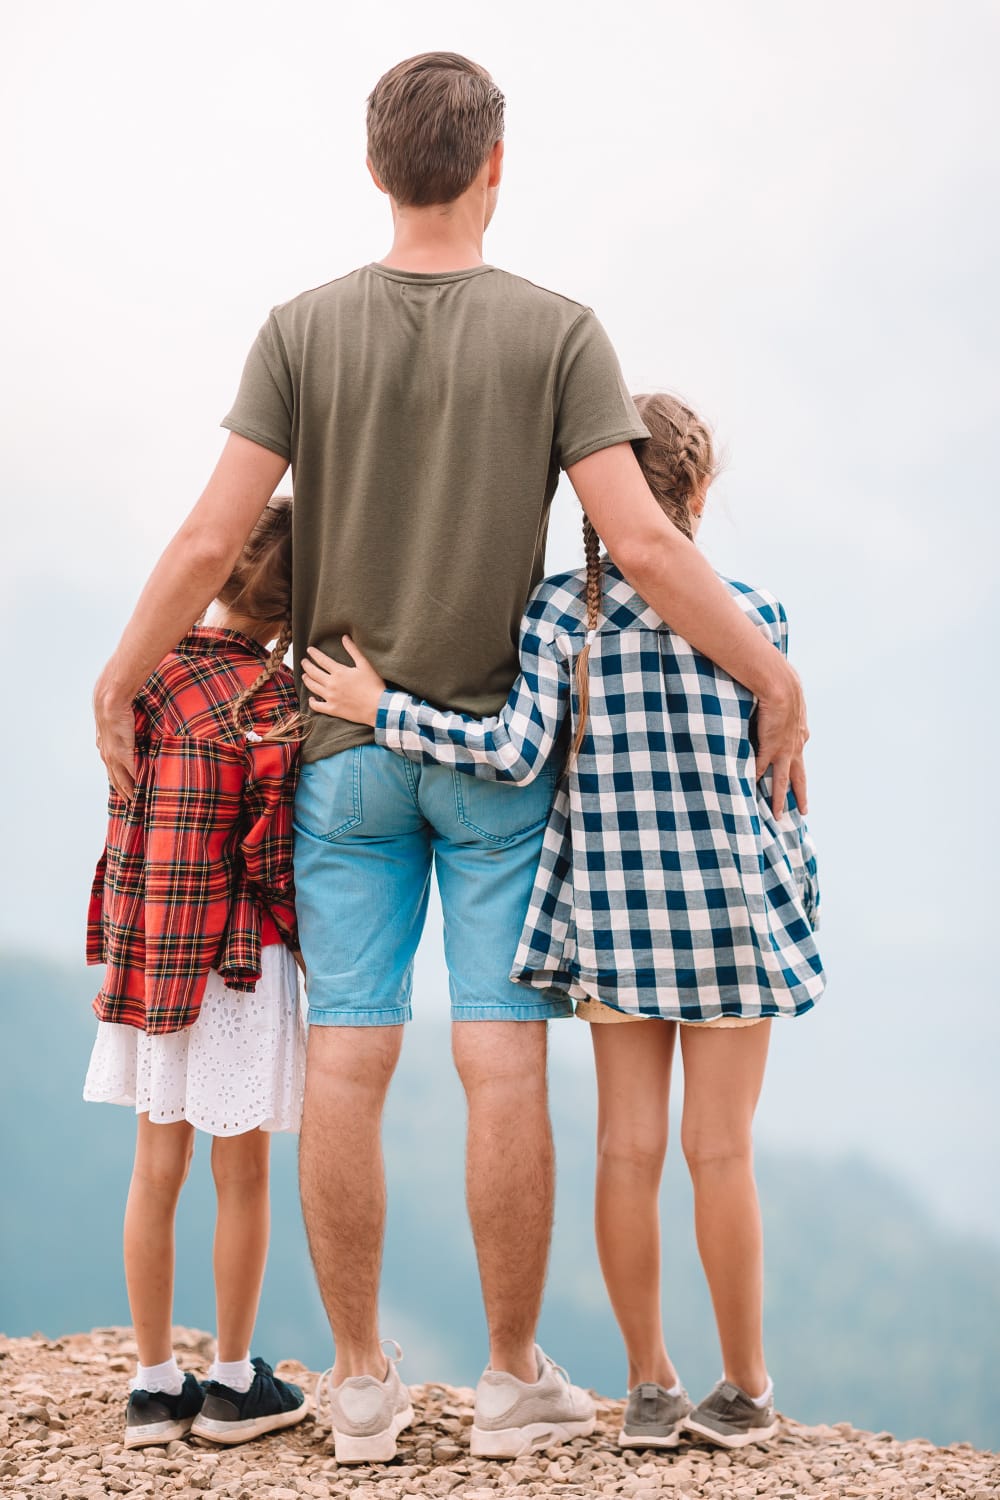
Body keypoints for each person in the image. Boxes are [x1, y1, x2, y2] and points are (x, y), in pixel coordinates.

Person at [92, 54, 809, 1464]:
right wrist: (773, 674)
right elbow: (649, 547)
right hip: (494, 755)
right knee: (503, 1071)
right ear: (495, 166)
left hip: (341, 752)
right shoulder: (558, 333)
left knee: (349, 1066)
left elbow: (201, 540)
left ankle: (357, 1386)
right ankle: (505, 1378)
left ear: (375, 170)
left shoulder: (301, 330)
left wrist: (122, 677)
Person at [302, 392, 825, 1452]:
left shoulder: (557, 617)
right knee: (720, 1153)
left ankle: (647, 1388)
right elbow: (778, 793)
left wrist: (380, 711)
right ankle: (745, 1390)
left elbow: (508, 755)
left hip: (616, 928)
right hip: (729, 926)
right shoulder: (756, 617)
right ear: (702, 490)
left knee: (625, 1154)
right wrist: (797, 904)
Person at [84, 499, 309, 1449]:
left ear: (219, 579)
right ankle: (229, 1382)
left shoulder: (150, 676)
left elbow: (126, 812)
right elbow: (273, 855)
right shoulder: (278, 702)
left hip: (150, 951)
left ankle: (150, 1386)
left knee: (155, 1167)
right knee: (244, 1171)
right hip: (235, 964)